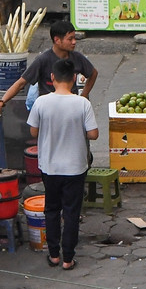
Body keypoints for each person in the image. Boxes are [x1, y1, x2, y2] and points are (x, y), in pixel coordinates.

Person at [28, 59, 98, 271]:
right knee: (71, 212)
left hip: (50, 166)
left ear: (52, 78)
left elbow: (33, 131)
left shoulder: (41, 102)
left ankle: (54, 254)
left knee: (51, 209)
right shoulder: (82, 103)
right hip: (75, 167)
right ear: (74, 78)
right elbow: (93, 134)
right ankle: (68, 258)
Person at [0, 20, 98, 114]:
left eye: (74, 38)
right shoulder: (43, 60)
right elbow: (20, 83)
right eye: (70, 39)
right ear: (57, 40)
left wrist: (84, 96)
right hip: (48, 111)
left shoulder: (77, 58)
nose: (74, 42)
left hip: (72, 109)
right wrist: (1, 102)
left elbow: (93, 73)